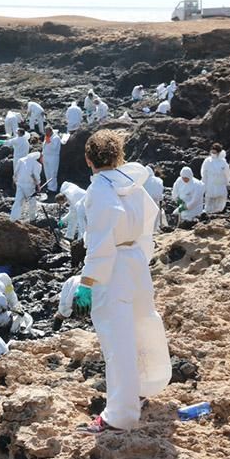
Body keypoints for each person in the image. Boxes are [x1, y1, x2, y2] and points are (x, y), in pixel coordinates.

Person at [72, 130, 171, 433]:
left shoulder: (99, 191)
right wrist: (139, 258)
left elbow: (101, 243)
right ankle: (143, 388)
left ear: (88, 159)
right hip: (135, 261)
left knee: (118, 342)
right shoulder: (132, 184)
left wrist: (86, 283)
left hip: (113, 269)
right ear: (118, 156)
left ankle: (119, 416)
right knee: (142, 324)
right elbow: (147, 222)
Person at [10, 151, 42, 222]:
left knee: (18, 201)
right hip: (29, 185)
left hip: (20, 183)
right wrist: (38, 185)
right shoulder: (36, 164)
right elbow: (35, 175)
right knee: (32, 202)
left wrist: (14, 180)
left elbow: (16, 171)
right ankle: (32, 218)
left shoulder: (21, 160)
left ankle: (13, 218)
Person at [201, 143, 230, 214]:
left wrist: (227, 183)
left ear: (219, 152)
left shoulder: (223, 162)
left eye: (215, 152)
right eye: (212, 152)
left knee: (220, 198)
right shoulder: (208, 161)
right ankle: (208, 212)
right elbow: (204, 172)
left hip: (220, 183)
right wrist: (203, 182)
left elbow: (227, 173)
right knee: (209, 198)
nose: (213, 154)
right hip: (210, 183)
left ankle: (218, 212)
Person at [143, 166, 165, 232]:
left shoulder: (141, 180)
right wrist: (161, 199)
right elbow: (159, 195)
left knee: (145, 223)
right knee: (154, 222)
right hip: (155, 204)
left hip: (143, 205)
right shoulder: (158, 180)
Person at [42, 127, 62, 193]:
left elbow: (54, 147)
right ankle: (49, 187)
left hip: (53, 157)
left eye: (47, 132)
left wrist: (48, 140)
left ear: (50, 131)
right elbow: (44, 147)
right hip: (46, 156)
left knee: (52, 173)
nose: (46, 134)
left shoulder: (56, 138)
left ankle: (53, 189)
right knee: (47, 173)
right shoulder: (47, 137)